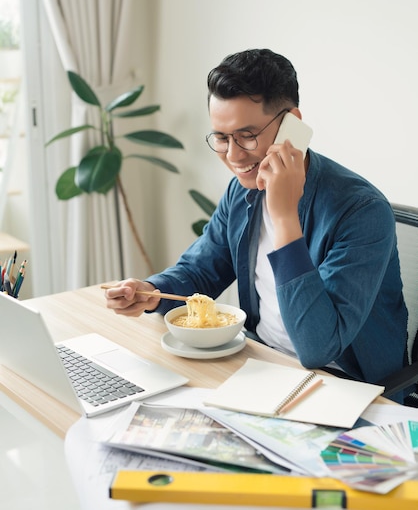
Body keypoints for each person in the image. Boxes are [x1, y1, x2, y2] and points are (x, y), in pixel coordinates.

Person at [105, 48, 408, 398]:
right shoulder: (242, 191)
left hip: (349, 388)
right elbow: (201, 270)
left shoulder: (362, 210)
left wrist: (283, 218)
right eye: (221, 137)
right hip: (262, 365)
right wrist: (149, 292)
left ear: (291, 124)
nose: (233, 156)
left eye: (247, 135)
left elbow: (317, 348)